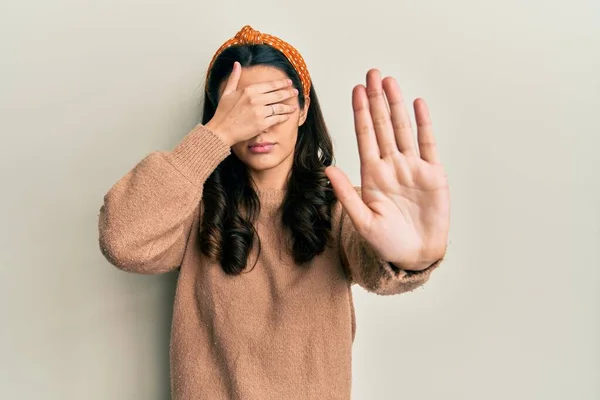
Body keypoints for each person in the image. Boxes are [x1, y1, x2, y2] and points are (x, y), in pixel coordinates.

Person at [98, 25, 450, 400]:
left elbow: (377, 267)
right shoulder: (192, 207)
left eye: (274, 106)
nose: (259, 126)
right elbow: (122, 241)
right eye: (242, 111)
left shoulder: (345, 208)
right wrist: (214, 135)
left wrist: (412, 259)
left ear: (302, 110)